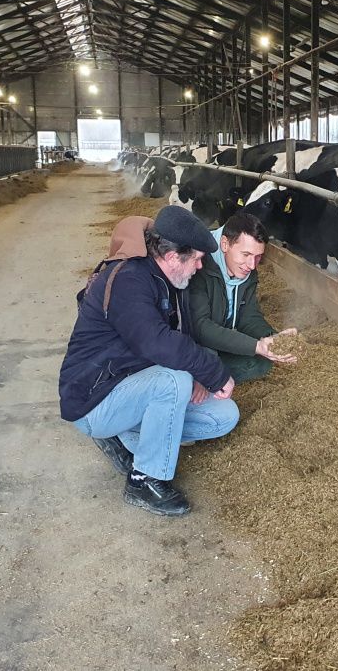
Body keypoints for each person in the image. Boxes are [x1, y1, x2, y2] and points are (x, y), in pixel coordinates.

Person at [58, 206, 239, 517]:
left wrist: (199, 375)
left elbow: (184, 335)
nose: (199, 266)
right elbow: (155, 342)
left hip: (134, 385)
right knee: (173, 382)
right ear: (171, 257)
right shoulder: (128, 280)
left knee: (224, 416)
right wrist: (211, 372)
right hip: (94, 398)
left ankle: (126, 436)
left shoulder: (170, 278)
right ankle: (144, 480)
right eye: (196, 259)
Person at [188, 212, 297, 383]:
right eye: (246, 255)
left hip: (219, 338)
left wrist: (273, 339)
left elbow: (248, 315)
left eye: (258, 257)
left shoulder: (247, 270)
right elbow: (200, 327)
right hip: (191, 346)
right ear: (225, 244)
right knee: (210, 359)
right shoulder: (198, 265)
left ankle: (215, 378)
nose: (252, 265)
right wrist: (255, 346)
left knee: (262, 363)